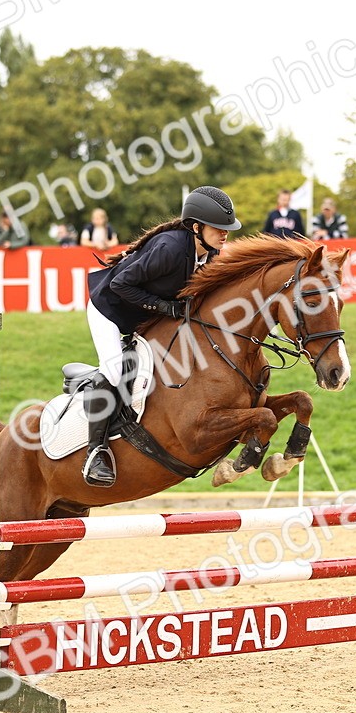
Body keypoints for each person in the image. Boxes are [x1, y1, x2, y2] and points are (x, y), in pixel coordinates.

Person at [81, 185, 241, 487]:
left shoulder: (210, 253)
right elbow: (120, 285)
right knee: (115, 372)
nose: (224, 234)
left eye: (227, 229)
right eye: (219, 228)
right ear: (196, 227)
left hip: (145, 312)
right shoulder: (169, 248)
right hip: (110, 310)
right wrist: (164, 306)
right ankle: (96, 452)